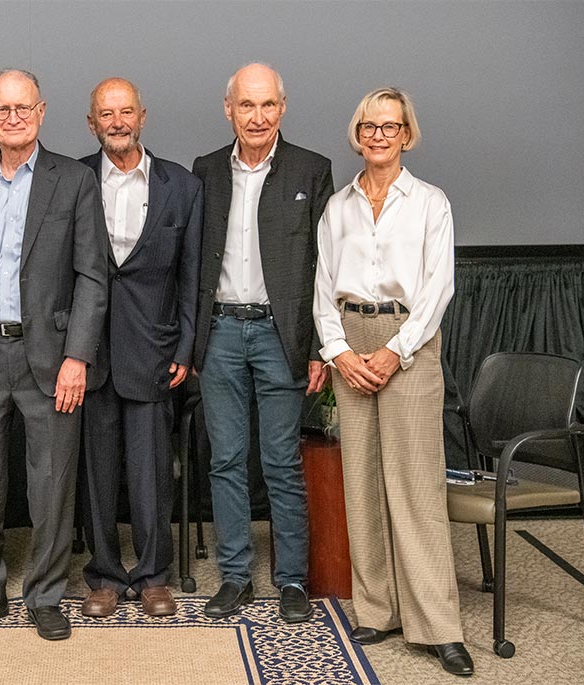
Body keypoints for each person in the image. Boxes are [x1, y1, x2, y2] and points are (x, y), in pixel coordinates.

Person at [0, 69, 107, 641]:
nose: (13, 117)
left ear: (41, 111)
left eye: (23, 108)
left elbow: (92, 276)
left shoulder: (75, 181)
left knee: (51, 484)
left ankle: (46, 594)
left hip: (53, 359)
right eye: (1, 109)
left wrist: (78, 356)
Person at [312, 87, 472, 677]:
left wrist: (395, 353)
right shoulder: (339, 206)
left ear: (407, 134)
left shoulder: (431, 203)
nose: (378, 135)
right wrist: (338, 352)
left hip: (409, 340)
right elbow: (323, 287)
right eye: (368, 126)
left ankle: (437, 626)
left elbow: (437, 290)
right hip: (351, 341)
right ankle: (377, 611)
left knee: (415, 488)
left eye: (390, 126)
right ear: (357, 135)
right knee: (363, 484)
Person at [191, 63, 332, 622]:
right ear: (228, 109)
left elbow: (325, 265)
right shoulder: (205, 171)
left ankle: (291, 579)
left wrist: (319, 346)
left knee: (280, 460)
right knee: (225, 460)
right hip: (221, 331)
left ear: (282, 107)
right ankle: (234, 576)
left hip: (283, 335)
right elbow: (192, 263)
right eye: (245, 106)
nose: (256, 116)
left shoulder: (311, 169)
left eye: (267, 105)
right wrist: (193, 343)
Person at [77, 78, 202, 618]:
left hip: (155, 349)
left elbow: (193, 275)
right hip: (88, 352)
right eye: (107, 114)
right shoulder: (72, 180)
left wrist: (188, 345)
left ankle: (153, 576)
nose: (117, 121)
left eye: (126, 111)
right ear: (92, 123)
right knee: (96, 473)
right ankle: (103, 575)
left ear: (142, 116)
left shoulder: (183, 186)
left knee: (152, 473)